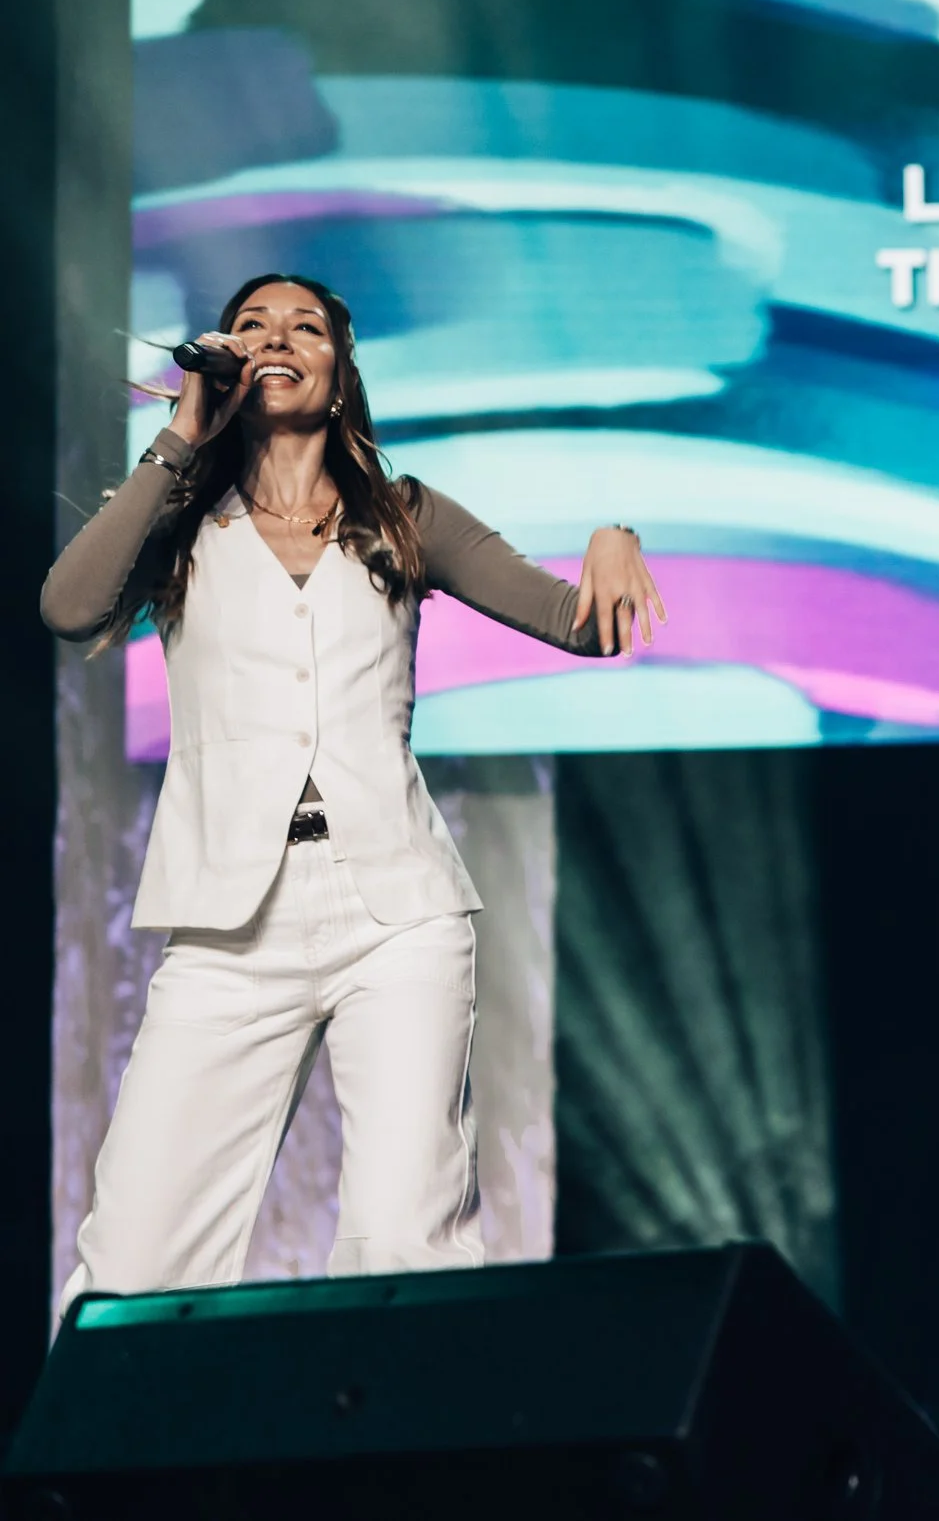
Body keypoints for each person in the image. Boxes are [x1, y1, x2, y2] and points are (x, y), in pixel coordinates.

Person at [44, 272, 666, 1310]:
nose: (276, 337)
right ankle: (117, 1468)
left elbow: (582, 623)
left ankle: (404, 1465)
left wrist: (615, 533)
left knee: (402, 1240)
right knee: (139, 1252)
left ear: (339, 374)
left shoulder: (405, 513)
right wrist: (183, 436)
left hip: (397, 910)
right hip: (226, 919)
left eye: (306, 327)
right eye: (252, 324)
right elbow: (69, 607)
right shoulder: (181, 516)